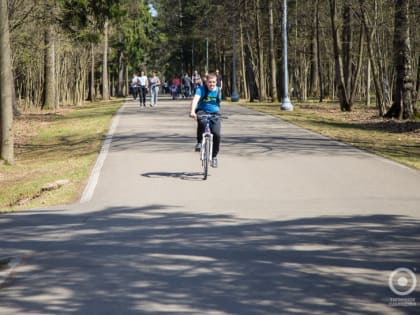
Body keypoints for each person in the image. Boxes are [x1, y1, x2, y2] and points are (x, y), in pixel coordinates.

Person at [189, 72, 222, 168]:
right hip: (202, 111)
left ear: (216, 82)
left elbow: (218, 104)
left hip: (215, 113)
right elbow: (195, 100)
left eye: (214, 82)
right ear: (206, 82)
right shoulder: (201, 89)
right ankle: (199, 142)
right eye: (210, 82)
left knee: (217, 134)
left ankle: (214, 156)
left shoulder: (218, 90)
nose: (212, 84)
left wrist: (218, 114)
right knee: (202, 122)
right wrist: (192, 111)